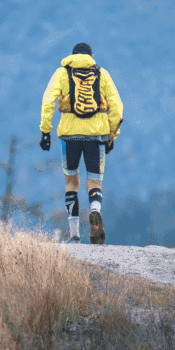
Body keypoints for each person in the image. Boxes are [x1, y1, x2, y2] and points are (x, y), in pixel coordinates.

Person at [40, 42, 123, 244]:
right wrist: (113, 135)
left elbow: (48, 100)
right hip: (96, 137)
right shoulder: (102, 74)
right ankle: (95, 209)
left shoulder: (62, 73)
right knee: (94, 181)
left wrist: (45, 131)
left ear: (72, 56)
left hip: (69, 137)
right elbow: (117, 107)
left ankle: (75, 234)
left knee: (71, 183)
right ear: (92, 56)